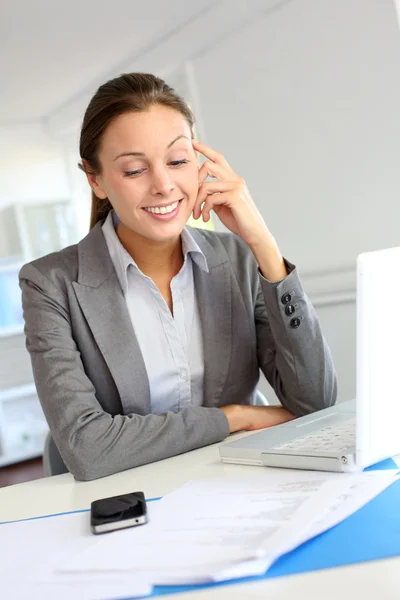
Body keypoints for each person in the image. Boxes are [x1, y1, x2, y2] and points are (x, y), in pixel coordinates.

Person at [19, 73, 337, 481]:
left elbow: (316, 401)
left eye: (178, 160)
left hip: (239, 484)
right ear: (95, 179)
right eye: (134, 170)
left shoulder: (239, 260)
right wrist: (233, 418)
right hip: (130, 499)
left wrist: (262, 243)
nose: (164, 185)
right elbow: (88, 447)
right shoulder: (50, 284)